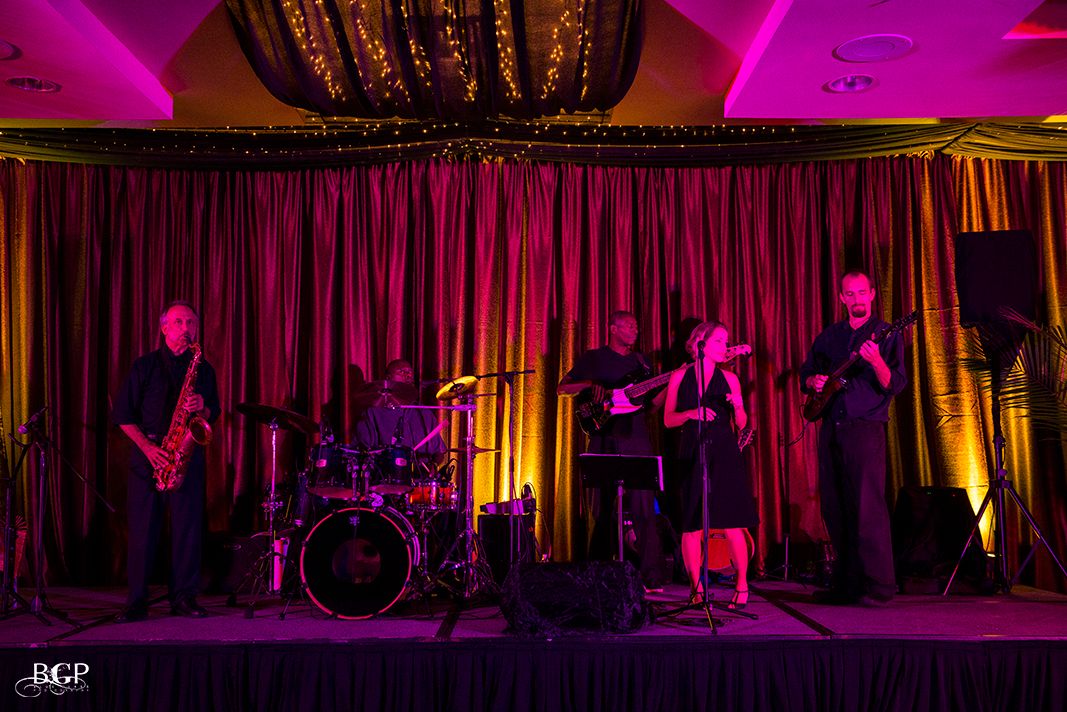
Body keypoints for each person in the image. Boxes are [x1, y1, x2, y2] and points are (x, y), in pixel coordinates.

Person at [799, 270, 907, 606]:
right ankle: (846, 584)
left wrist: (876, 361)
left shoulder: (886, 334)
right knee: (835, 505)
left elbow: (894, 383)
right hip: (832, 426)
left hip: (865, 428)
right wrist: (814, 382)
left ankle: (879, 587)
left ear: (872, 294)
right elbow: (807, 373)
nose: (857, 299)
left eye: (862, 292)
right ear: (842, 297)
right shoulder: (830, 336)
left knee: (867, 507)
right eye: (850, 293)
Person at [112, 300, 220, 621]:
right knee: (143, 532)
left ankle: (184, 598)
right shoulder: (144, 366)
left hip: (186, 456)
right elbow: (123, 416)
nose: (186, 328)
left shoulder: (204, 369)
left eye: (191, 323)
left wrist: (202, 407)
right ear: (164, 328)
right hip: (150, 455)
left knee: (188, 530)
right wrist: (148, 449)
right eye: (179, 322)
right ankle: (136, 602)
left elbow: (212, 412)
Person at [557, 310, 668, 590]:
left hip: (637, 438)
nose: (635, 330)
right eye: (629, 326)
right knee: (602, 510)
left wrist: (671, 383)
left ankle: (651, 577)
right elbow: (562, 389)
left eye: (636, 326)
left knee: (645, 508)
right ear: (613, 329)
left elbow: (651, 406)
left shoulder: (641, 362)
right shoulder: (594, 358)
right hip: (603, 437)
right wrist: (591, 385)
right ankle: (598, 576)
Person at [663, 320, 757, 608]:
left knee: (731, 522)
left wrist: (738, 405)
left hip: (724, 451)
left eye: (726, 341)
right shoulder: (680, 377)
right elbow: (668, 420)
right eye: (719, 341)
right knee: (691, 524)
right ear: (700, 343)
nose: (725, 346)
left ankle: (742, 585)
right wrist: (692, 413)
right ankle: (696, 589)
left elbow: (742, 423)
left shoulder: (730, 378)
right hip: (692, 450)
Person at [352, 359, 448, 487]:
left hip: (421, 485)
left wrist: (434, 465)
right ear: (388, 378)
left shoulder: (423, 413)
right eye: (402, 372)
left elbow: (439, 451)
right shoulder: (373, 413)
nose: (408, 375)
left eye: (410, 372)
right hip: (385, 483)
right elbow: (363, 451)